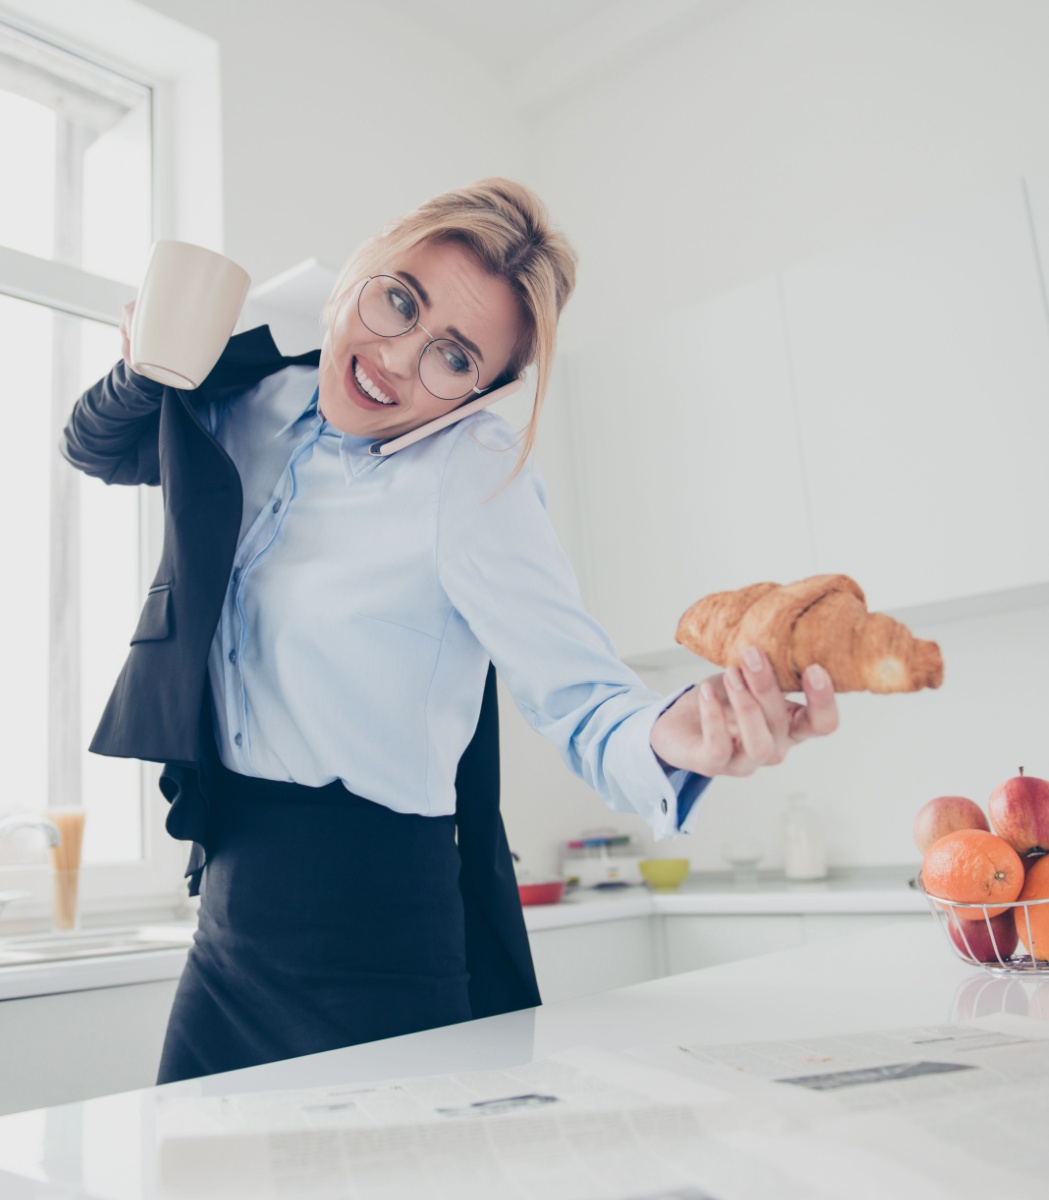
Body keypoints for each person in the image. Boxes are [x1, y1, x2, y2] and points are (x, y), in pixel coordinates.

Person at [61, 178, 839, 1084]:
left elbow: (586, 703)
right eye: (399, 299)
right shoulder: (254, 395)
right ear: (361, 269)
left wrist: (681, 735)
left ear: (486, 391)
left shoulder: (468, 476)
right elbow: (97, 448)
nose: (395, 358)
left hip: (377, 950)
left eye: (454, 357)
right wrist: (147, 362)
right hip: (230, 929)